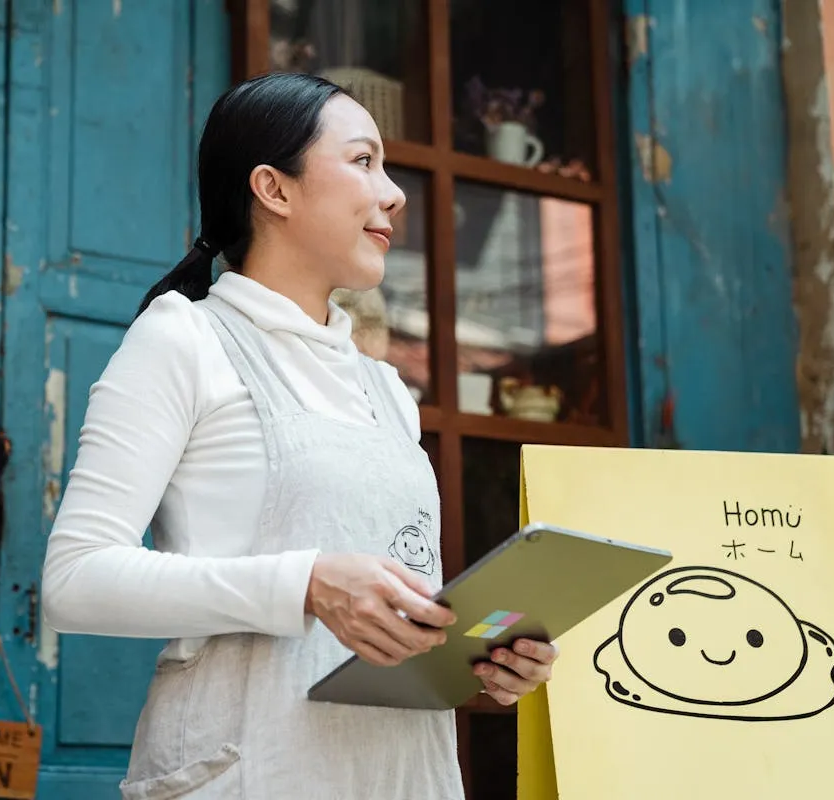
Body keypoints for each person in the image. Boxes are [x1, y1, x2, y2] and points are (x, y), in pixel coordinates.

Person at [41, 72, 558, 799]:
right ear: (273, 189)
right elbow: (74, 581)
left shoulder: (387, 391)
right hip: (254, 767)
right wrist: (307, 584)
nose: (394, 193)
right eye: (362, 161)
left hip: (402, 775)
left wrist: (481, 663)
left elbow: (387, 623)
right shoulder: (184, 339)